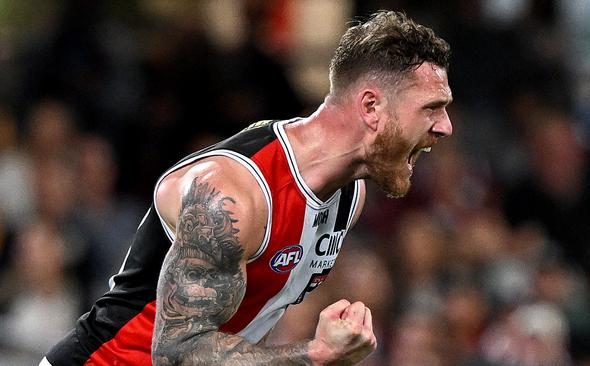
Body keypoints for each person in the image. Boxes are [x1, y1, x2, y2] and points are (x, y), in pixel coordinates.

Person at [42, 10, 453, 366]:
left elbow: (243, 330)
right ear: (371, 107)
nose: (445, 126)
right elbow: (176, 352)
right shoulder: (232, 194)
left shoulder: (350, 194)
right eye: (431, 108)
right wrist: (313, 355)